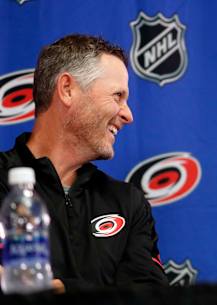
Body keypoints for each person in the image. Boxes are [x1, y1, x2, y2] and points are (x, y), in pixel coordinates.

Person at [0, 34, 168, 292]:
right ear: (67, 89)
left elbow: (151, 296)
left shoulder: (127, 203)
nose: (128, 114)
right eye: (117, 96)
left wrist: (67, 290)